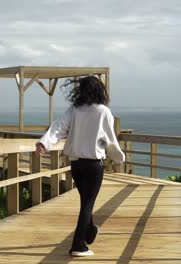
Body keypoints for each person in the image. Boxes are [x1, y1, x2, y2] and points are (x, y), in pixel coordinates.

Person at [35, 76, 125, 257]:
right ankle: (78, 245)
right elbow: (110, 140)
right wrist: (118, 158)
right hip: (93, 166)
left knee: (86, 202)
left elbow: (58, 128)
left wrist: (44, 143)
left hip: (76, 165)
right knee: (88, 204)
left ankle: (90, 230)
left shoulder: (74, 110)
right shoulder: (103, 111)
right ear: (100, 90)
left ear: (81, 91)